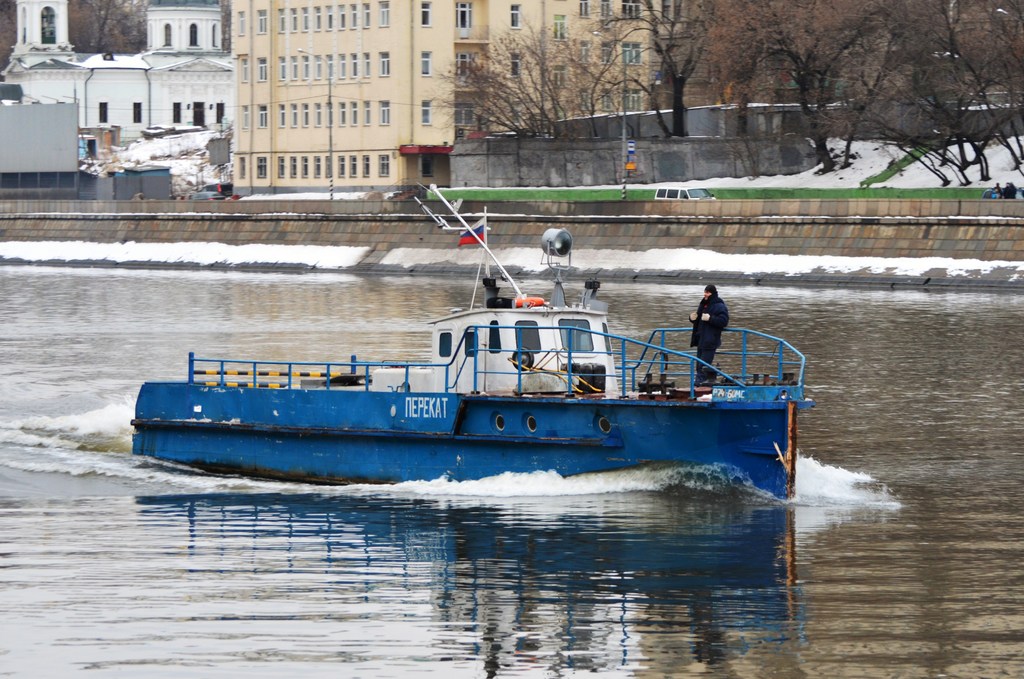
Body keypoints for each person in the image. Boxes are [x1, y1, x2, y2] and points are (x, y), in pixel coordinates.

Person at [689, 284, 730, 385]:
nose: (705, 294)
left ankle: (698, 388)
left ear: (713, 293)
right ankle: (699, 386)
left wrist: (710, 318)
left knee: (703, 366)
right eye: (704, 292)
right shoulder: (703, 304)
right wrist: (692, 318)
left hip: (710, 341)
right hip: (700, 340)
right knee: (699, 365)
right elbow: (699, 320)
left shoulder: (719, 306)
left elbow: (723, 321)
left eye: (707, 292)